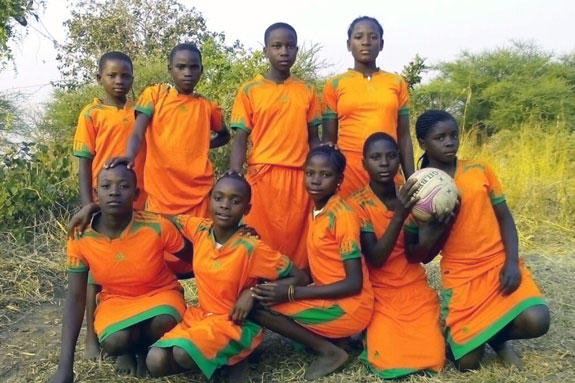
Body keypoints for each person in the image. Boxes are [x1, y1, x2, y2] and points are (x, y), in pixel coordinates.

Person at [405, 110, 550, 371]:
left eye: (453, 135)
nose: (449, 142)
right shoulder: (418, 188)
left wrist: (511, 262)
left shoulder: (479, 169)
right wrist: (439, 228)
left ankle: (496, 337)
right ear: (423, 143)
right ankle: (482, 337)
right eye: (440, 137)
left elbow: (505, 218)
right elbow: (420, 256)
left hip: (496, 264)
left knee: (538, 320)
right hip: (461, 275)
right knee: (467, 364)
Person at [39, 164, 191, 383]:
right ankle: (128, 350)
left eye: (124, 186)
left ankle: (143, 350)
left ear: (137, 194)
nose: (114, 192)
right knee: (114, 342)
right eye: (106, 186)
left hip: (160, 294)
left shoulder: (157, 226)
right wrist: (65, 368)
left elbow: (196, 260)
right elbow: (76, 298)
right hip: (115, 300)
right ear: (96, 194)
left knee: (164, 321)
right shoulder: (80, 235)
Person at [145, 172, 309, 383]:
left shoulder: (252, 247)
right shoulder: (200, 229)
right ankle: (221, 359)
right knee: (155, 361)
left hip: (234, 323)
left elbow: (300, 277)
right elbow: (162, 217)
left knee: (183, 354)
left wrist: (253, 293)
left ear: (247, 209)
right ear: (209, 200)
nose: (225, 205)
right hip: (201, 318)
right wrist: (95, 209)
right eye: (219, 198)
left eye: (235, 201)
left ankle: (237, 356)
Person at [250, 144, 374, 381]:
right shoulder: (318, 210)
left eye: (325, 175)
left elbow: (354, 283)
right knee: (264, 290)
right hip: (328, 296)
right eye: (310, 173)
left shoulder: (342, 215)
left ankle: (329, 351)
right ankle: (337, 339)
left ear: (339, 180)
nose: (315, 181)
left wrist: (292, 293)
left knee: (258, 306)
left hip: (349, 306)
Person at [348, 132, 445, 379]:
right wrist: (399, 215)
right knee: (388, 359)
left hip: (412, 285)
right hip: (378, 290)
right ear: (363, 163)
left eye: (391, 156)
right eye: (376, 157)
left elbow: (416, 256)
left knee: (433, 355)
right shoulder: (357, 203)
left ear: (399, 159)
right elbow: (375, 259)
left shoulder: (415, 196)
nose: (384, 163)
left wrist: (438, 230)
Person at [229, 22, 321, 269]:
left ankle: (294, 295)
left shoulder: (307, 91)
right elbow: (240, 137)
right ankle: (257, 293)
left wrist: (322, 173)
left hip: (299, 178)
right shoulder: (249, 90)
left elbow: (314, 138)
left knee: (298, 243)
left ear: (297, 51)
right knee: (259, 240)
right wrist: (236, 174)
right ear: (265, 51)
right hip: (262, 177)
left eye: (290, 46)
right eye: (277, 46)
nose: (284, 52)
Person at [73, 51, 146, 360]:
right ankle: (91, 337)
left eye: (125, 75)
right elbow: (84, 162)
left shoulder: (138, 112)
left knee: (130, 264)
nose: (119, 81)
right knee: (94, 272)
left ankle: (132, 334)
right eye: (112, 75)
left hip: (135, 197)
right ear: (99, 77)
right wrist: (89, 203)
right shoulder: (91, 113)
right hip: (104, 198)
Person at [107, 43, 230, 216]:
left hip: (199, 193)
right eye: (181, 67)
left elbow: (224, 135)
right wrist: (129, 155)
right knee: (162, 240)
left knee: (196, 242)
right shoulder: (155, 95)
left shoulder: (207, 106)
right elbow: (138, 132)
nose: (187, 73)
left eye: (193, 67)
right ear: (170, 69)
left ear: (201, 70)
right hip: (161, 195)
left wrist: (198, 146)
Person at [322, 16, 414, 197]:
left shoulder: (397, 82)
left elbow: (404, 137)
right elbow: (329, 142)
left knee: (392, 221)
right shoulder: (334, 85)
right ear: (349, 44)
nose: (366, 42)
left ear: (381, 44)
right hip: (349, 173)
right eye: (359, 37)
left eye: (373, 37)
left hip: (388, 168)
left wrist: (411, 179)